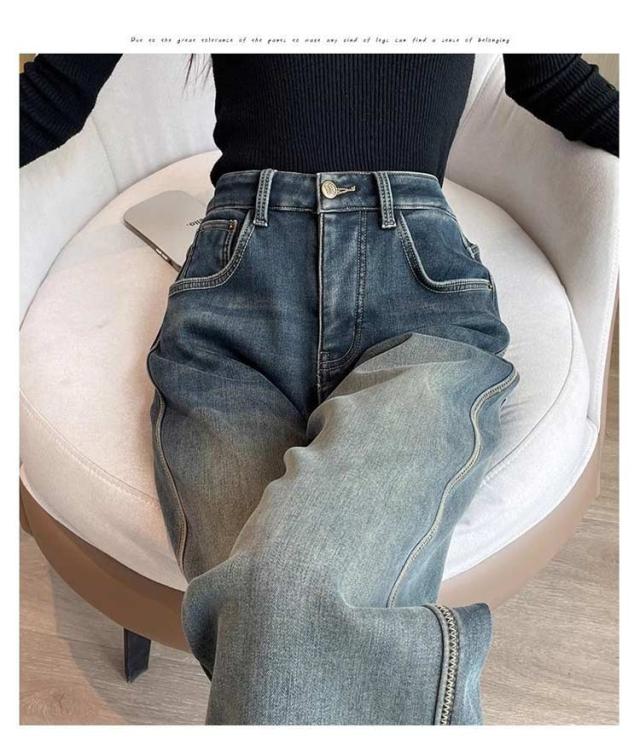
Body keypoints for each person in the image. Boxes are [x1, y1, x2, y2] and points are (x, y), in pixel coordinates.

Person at [20, 53, 619, 725]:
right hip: (235, 307)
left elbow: (552, 80)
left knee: (277, 603)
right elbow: (55, 93)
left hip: (419, 301)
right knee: (273, 617)